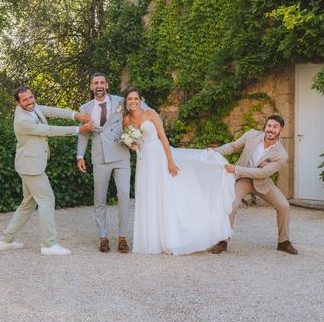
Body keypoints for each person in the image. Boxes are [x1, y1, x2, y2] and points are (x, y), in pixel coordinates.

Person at [123, 87, 236, 255]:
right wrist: (131, 145)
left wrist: (170, 161)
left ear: (140, 100)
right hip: (143, 160)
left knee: (163, 193)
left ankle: (169, 237)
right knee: (147, 194)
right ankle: (149, 240)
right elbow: (131, 139)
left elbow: (163, 138)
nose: (133, 102)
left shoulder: (151, 114)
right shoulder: (126, 119)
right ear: (126, 102)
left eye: (135, 99)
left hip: (158, 156)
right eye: (129, 99)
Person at [0, 86, 92, 255]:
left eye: (31, 97)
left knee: (28, 203)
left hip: (29, 164)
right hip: (30, 167)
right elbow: (49, 130)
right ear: (18, 103)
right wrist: (78, 129)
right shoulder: (22, 120)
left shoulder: (34, 108)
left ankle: (6, 240)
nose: (29, 101)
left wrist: (74, 115)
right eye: (25, 100)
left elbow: (52, 110)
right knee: (47, 200)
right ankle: (48, 245)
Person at [76, 72, 147, 253]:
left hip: (121, 154)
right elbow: (83, 133)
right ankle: (103, 237)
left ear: (107, 85)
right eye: (95, 83)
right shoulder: (84, 108)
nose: (99, 85)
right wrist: (80, 156)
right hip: (99, 157)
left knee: (124, 195)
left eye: (102, 82)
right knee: (99, 199)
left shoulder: (120, 101)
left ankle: (123, 238)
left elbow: (140, 108)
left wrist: (143, 128)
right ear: (91, 86)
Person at [210, 114, 298, 255]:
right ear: (265, 126)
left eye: (275, 127)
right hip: (243, 179)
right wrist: (215, 151)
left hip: (262, 182)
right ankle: (223, 241)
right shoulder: (251, 135)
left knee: (284, 205)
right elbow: (233, 147)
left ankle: (283, 242)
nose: (271, 129)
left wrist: (236, 169)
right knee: (231, 205)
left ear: (281, 130)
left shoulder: (282, 155)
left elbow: (263, 173)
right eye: (269, 126)